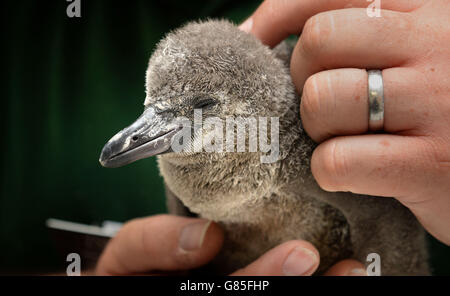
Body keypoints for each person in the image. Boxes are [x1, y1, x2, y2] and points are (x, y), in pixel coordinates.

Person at [96, 0, 449, 276]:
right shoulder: (185, 162)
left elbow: (380, 215)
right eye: (154, 108)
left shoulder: (284, 146)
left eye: (201, 106)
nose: (137, 134)